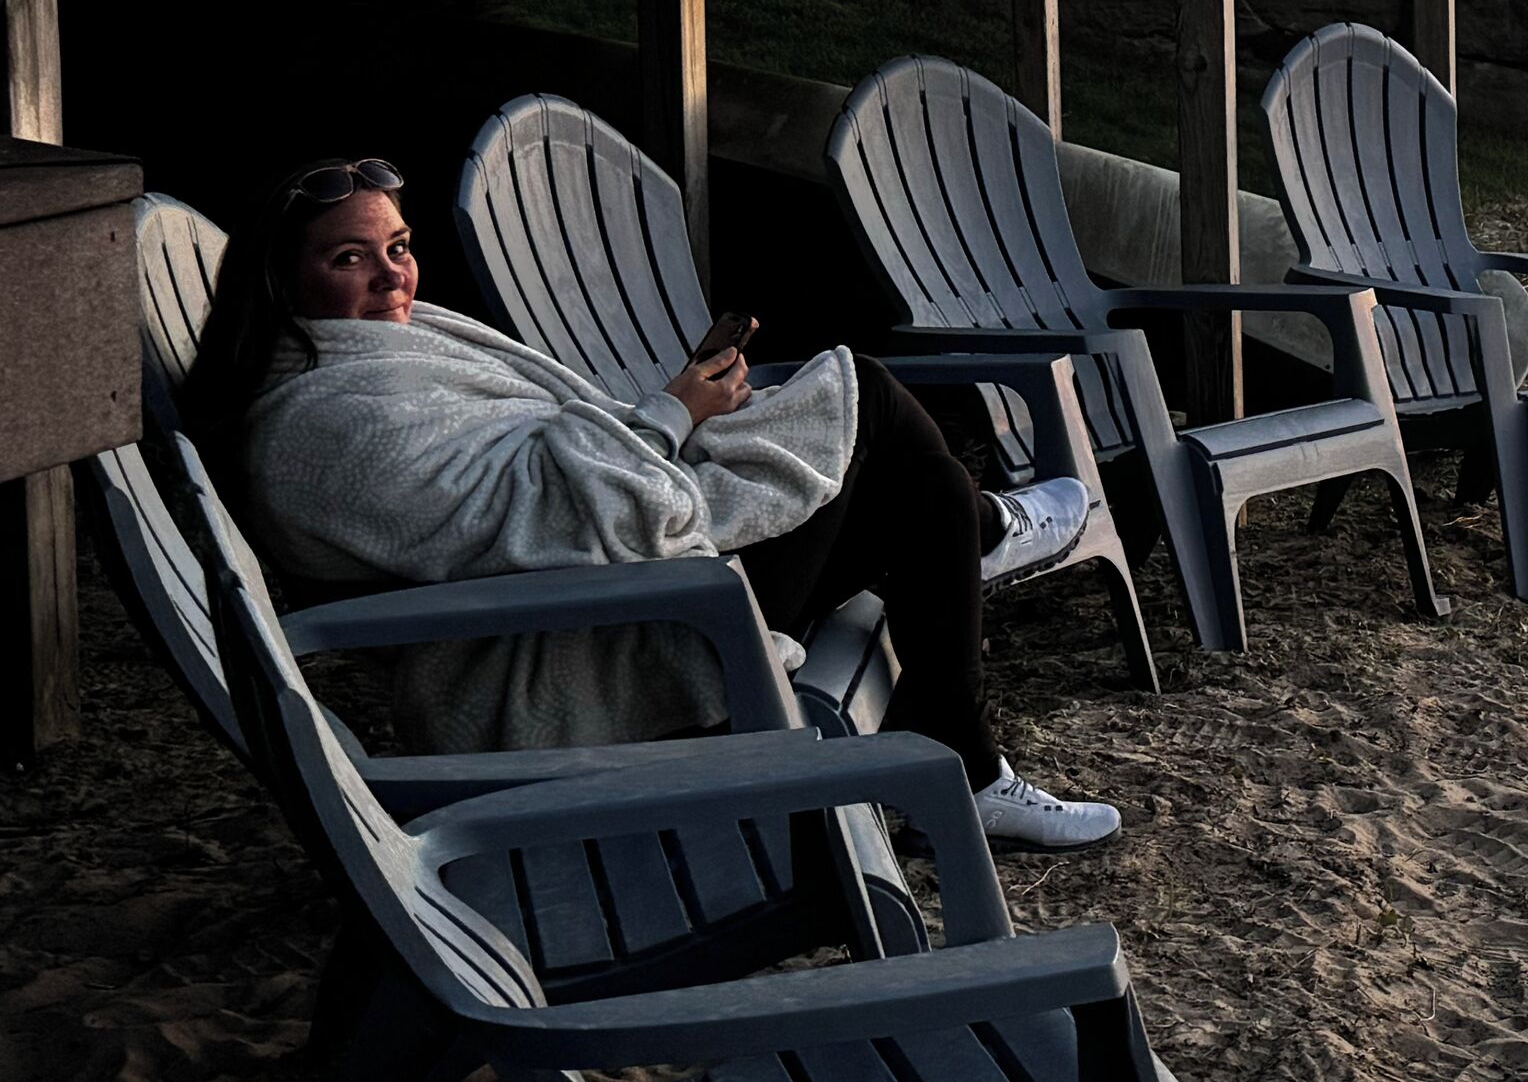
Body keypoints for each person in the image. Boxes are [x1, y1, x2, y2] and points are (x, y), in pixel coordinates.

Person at [185, 154, 1121, 851]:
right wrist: (673, 413)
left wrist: (678, 421)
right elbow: (541, 520)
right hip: (590, 656)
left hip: (624, 595)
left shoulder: (369, 356)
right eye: (353, 258)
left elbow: (533, 486)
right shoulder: (323, 429)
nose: (394, 276)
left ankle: (971, 658)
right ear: (281, 281)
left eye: (397, 247)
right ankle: (984, 574)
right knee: (872, 410)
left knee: (894, 476)